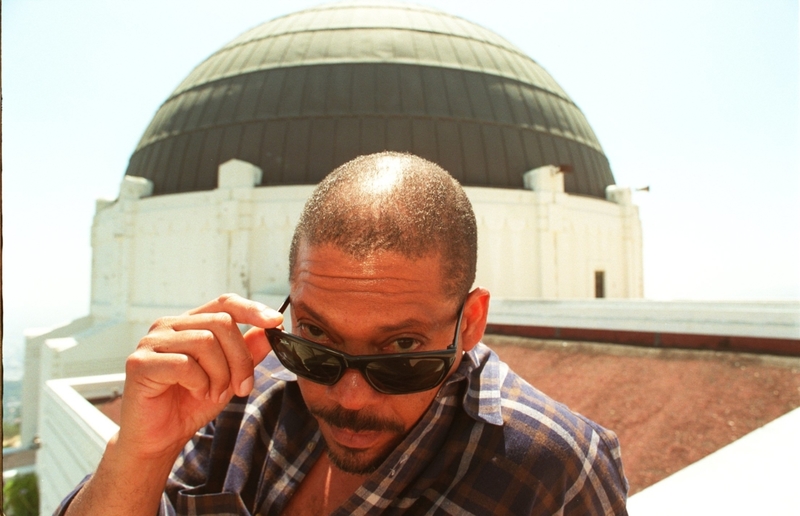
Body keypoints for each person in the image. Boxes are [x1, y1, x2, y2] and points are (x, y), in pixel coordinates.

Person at [58, 152, 628, 515]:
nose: (349, 397)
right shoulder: (244, 395)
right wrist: (140, 454)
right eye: (317, 339)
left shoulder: (554, 472)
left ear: (470, 323)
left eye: (401, 351)